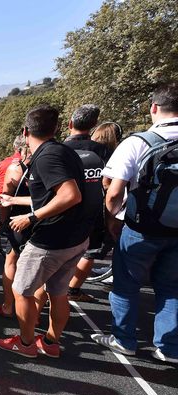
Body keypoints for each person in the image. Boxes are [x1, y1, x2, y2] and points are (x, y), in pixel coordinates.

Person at [92, 82, 178, 364]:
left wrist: (112, 220)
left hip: (140, 227)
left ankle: (123, 339)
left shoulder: (138, 142)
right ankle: (168, 347)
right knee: (171, 287)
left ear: (154, 107)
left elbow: (114, 191)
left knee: (126, 283)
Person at [0, 105, 89, 359]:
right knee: (57, 292)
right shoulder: (63, 152)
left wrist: (31, 217)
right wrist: (13, 202)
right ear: (56, 128)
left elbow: (70, 195)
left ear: (25, 132)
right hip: (75, 239)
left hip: (51, 240)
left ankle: (25, 344)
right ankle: (50, 342)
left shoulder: (46, 157)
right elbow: (51, 196)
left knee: (22, 290)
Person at [62, 105, 111, 303]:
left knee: (57, 252)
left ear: (70, 124)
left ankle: (52, 292)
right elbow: (110, 184)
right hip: (93, 213)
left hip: (62, 212)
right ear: (93, 125)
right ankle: (73, 290)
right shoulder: (104, 151)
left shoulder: (58, 149)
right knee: (89, 253)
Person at [0, 135, 25, 253]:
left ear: (14, 146)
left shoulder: (3, 163)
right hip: (21, 203)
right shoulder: (28, 162)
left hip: (2, 200)